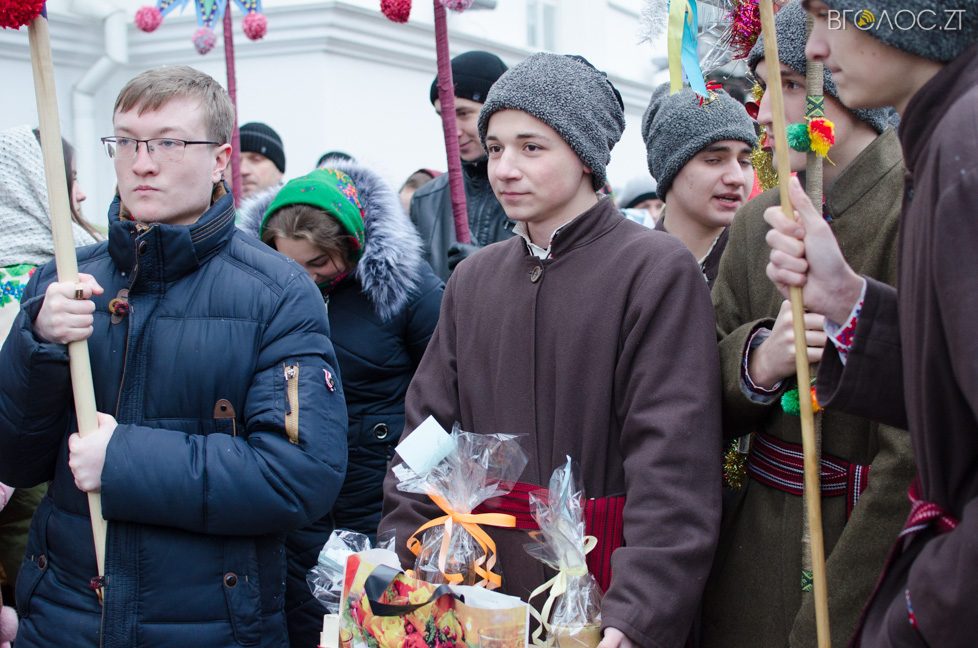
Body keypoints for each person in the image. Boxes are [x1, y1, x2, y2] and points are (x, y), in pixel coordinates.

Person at [380, 52, 722, 648]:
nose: (505, 168)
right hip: (479, 585)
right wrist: (399, 558)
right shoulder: (474, 279)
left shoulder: (653, 268)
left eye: (531, 147)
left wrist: (637, 612)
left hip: (603, 584)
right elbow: (427, 435)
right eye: (495, 148)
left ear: (585, 155)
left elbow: (673, 460)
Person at [0, 65, 348, 647]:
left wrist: (123, 459)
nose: (141, 163)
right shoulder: (63, 280)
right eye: (126, 141)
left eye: (168, 143)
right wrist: (37, 343)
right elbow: (14, 459)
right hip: (66, 620)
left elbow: (299, 476)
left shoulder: (278, 293)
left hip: (210, 624)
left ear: (219, 159)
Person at [701, 3, 916, 647]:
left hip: (862, 550)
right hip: (754, 555)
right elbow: (697, 394)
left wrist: (840, 613)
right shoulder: (756, 221)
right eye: (762, 87)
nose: (764, 113)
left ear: (839, 81)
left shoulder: (912, 205)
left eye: (790, 85)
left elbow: (909, 452)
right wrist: (757, 363)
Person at [764, 2, 978, 645]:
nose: (817, 48)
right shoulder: (947, 137)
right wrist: (846, 299)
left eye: (831, 14)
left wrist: (924, 607)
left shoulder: (967, 148)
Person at [239, 162, 443, 647]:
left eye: (318, 263)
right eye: (288, 263)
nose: (303, 278)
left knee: (374, 626)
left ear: (351, 249)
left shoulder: (407, 291)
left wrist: (416, 474)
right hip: (290, 495)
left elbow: (448, 390)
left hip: (382, 499)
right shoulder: (256, 290)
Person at [0, 125, 103, 613]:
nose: (80, 194)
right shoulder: (58, 275)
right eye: (69, 179)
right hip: (43, 480)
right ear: (32, 185)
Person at [410, 50, 514, 279]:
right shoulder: (425, 200)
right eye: (444, 117)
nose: (453, 130)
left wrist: (487, 267)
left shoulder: (532, 190)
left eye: (464, 113)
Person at [642, 83, 757, 288]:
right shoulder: (630, 269)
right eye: (714, 160)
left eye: (745, 162)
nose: (737, 178)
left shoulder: (771, 269)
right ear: (669, 167)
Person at [239, 121, 286, 198]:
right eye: (235, 162)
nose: (242, 170)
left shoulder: (302, 203)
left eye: (256, 159)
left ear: (279, 169)